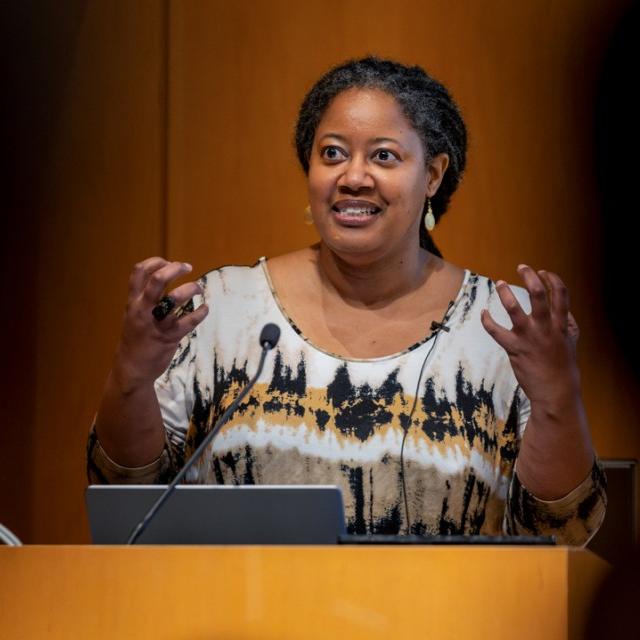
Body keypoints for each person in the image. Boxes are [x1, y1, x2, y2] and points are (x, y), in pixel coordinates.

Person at [87, 56, 607, 544]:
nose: (353, 177)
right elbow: (128, 498)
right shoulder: (223, 309)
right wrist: (131, 373)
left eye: (383, 155)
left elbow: (562, 535)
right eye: (332, 153)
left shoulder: (504, 323)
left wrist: (557, 396)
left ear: (432, 175)